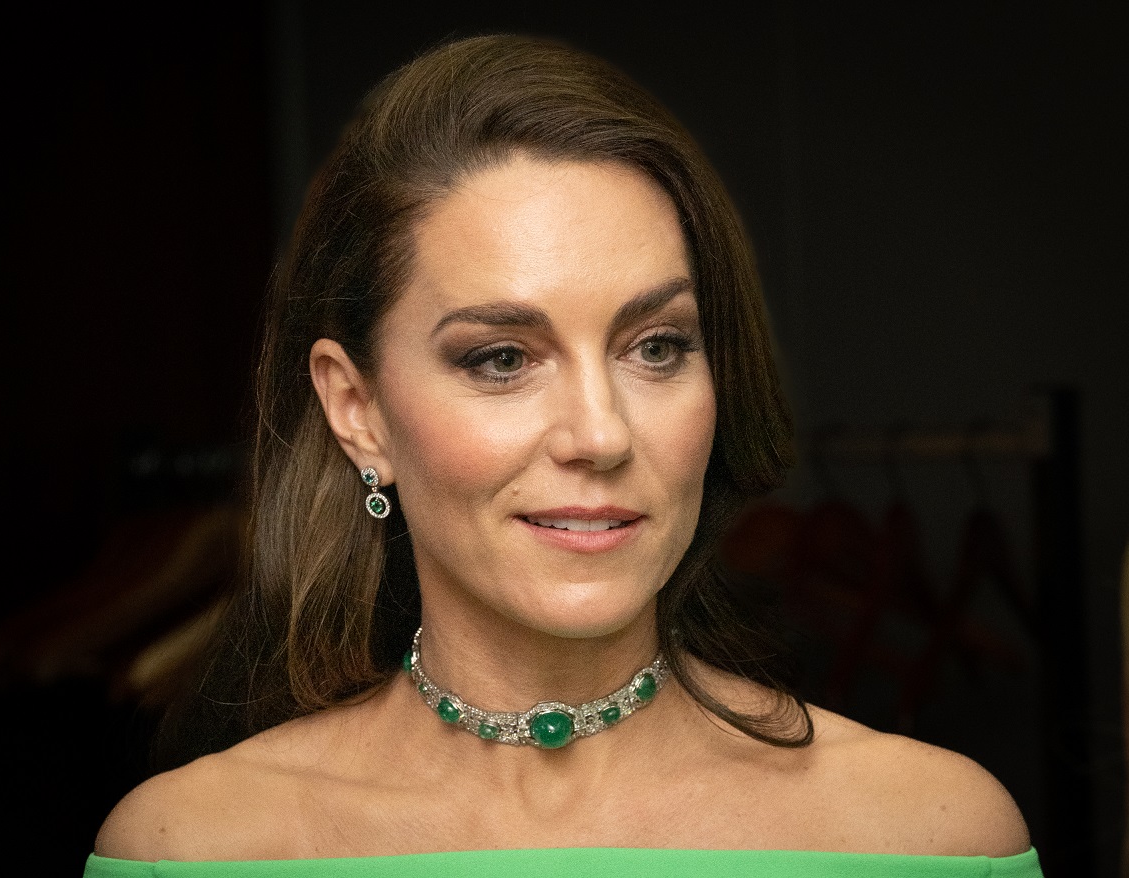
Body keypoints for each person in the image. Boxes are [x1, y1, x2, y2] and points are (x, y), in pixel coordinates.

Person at [84, 34, 1042, 876]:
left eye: (655, 347)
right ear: (358, 411)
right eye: (502, 359)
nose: (601, 435)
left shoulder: (932, 836)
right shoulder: (193, 848)